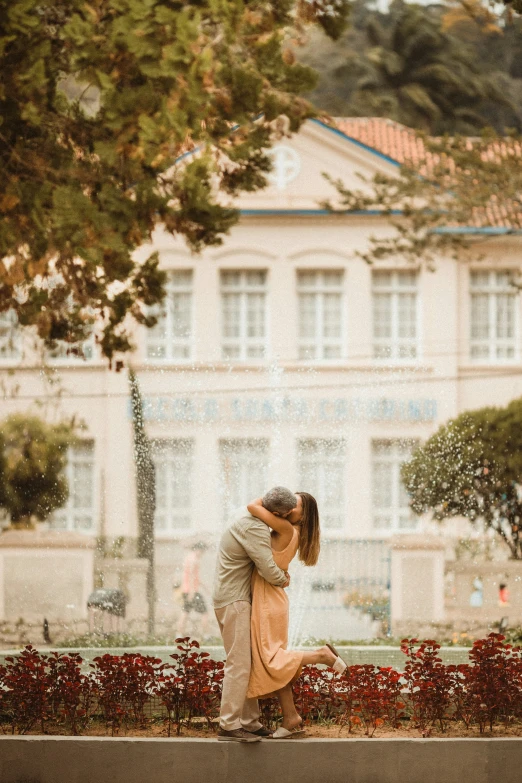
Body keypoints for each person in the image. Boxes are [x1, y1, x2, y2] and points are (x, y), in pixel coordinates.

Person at [246, 492, 347, 739]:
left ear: (304, 515)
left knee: (271, 660)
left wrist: (274, 499)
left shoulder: (285, 528)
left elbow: (252, 505)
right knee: (276, 661)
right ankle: (291, 716)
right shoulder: (294, 532)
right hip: (272, 598)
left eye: (296, 506)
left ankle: (321, 655)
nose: (290, 508)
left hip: (267, 600)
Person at [212, 486, 296, 743]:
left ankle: (249, 722)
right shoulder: (256, 528)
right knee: (239, 663)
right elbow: (268, 569)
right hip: (235, 601)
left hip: (231, 598)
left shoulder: (247, 516)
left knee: (245, 661)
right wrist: (284, 580)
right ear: (277, 513)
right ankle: (228, 725)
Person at [176, 542, 210, 640]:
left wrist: (204, 586)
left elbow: (193, 576)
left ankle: (178, 635)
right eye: (202, 551)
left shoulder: (188, 558)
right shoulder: (194, 559)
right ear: (198, 550)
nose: (202, 554)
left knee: (185, 612)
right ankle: (207, 635)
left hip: (186, 590)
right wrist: (192, 592)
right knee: (205, 612)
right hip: (192, 591)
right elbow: (191, 575)